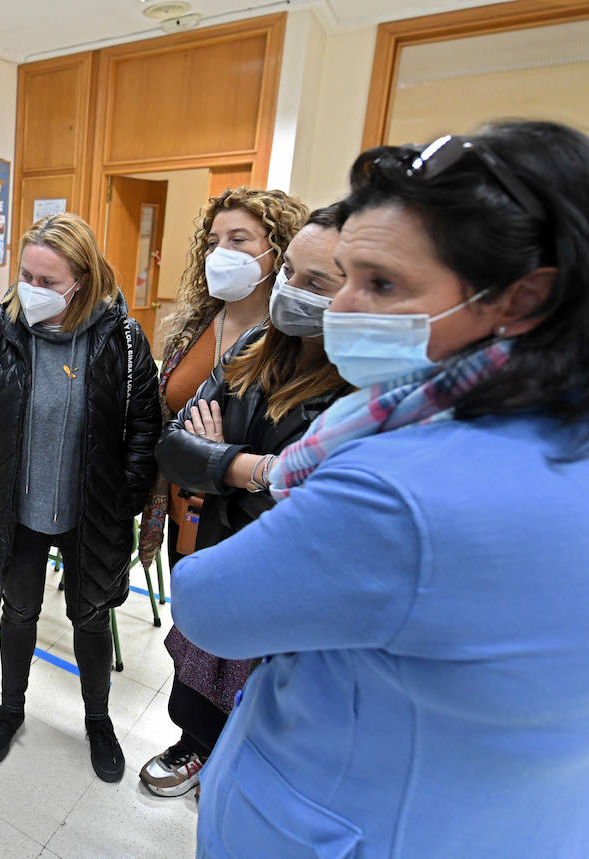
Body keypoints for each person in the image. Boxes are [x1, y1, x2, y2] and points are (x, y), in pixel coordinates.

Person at [175, 120, 589, 855]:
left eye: (382, 284)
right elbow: (178, 439)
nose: (338, 309)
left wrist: (239, 467)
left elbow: (207, 601)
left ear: (522, 298)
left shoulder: (397, 482)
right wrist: (239, 467)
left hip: (355, 819)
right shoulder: (543, 429)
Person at [137, 203, 352, 798]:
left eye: (317, 283)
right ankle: (195, 746)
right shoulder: (259, 344)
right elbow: (175, 446)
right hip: (212, 544)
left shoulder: (355, 388)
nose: (292, 291)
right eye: (290, 275)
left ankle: (239, 763)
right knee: (200, 661)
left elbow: (302, 504)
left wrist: (221, 463)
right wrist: (252, 468)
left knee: (256, 681)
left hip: (279, 574)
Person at [0, 213, 160, 783]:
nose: (32, 291)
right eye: (26, 275)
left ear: (82, 280)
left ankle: (98, 721)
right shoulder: (0, 335)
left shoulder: (121, 337)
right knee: (17, 611)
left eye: (48, 281)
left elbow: (145, 426)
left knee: (90, 617)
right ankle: (10, 709)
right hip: (14, 507)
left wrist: (128, 501)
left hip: (91, 509)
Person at [137, 188, 309, 572]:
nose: (220, 253)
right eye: (213, 242)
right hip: (183, 504)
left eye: (238, 240)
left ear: (278, 249)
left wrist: (222, 454)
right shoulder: (191, 327)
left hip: (244, 520)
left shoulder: (293, 342)